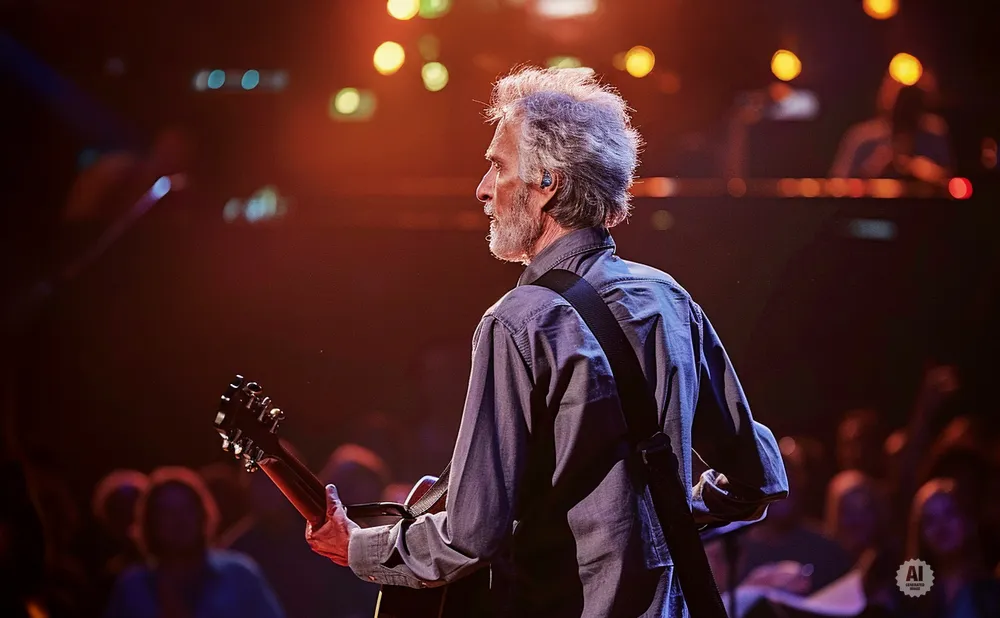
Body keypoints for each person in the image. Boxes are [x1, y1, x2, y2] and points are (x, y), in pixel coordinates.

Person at [306, 66, 788, 617]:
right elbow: (757, 476)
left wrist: (359, 546)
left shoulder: (517, 322)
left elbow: (472, 533)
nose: (482, 188)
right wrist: (672, 507)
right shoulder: (668, 299)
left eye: (496, 165)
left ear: (547, 183)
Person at [104, 466, 284, 618]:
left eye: (187, 509)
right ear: (150, 521)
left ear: (203, 514)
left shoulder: (239, 574)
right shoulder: (132, 587)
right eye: (167, 512)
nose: (179, 520)